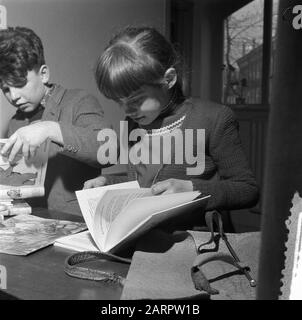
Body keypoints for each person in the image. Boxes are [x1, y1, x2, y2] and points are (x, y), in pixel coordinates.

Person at [84, 26, 259, 229]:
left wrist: (193, 190)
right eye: (118, 101)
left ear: (168, 79)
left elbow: (247, 190)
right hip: (145, 240)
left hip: (196, 246)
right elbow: (142, 185)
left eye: (136, 100)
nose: (127, 109)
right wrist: (108, 184)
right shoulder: (133, 123)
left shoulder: (214, 118)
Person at [0, 26, 112, 215]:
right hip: (29, 225)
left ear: (44, 74)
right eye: (5, 89)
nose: (14, 96)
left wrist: (50, 129)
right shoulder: (14, 123)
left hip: (76, 223)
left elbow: (107, 151)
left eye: (19, 84)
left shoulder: (79, 101)